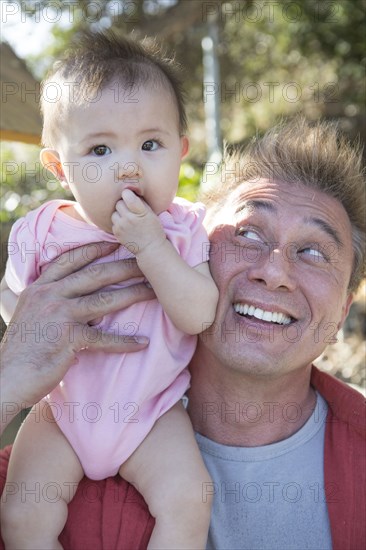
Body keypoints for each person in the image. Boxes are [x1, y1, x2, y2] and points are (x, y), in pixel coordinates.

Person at [1, 116, 365, 549]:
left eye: (312, 252)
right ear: (193, 251)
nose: (273, 272)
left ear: (342, 310)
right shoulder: (65, 441)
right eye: (247, 233)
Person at [0, 31, 218, 550]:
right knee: (22, 514)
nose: (128, 165)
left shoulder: (183, 230)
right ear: (59, 167)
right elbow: (14, 308)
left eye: (150, 144)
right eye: (100, 148)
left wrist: (151, 248)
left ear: (181, 152)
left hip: (152, 412)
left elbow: (199, 313)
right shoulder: (43, 231)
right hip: (61, 410)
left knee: (190, 500)